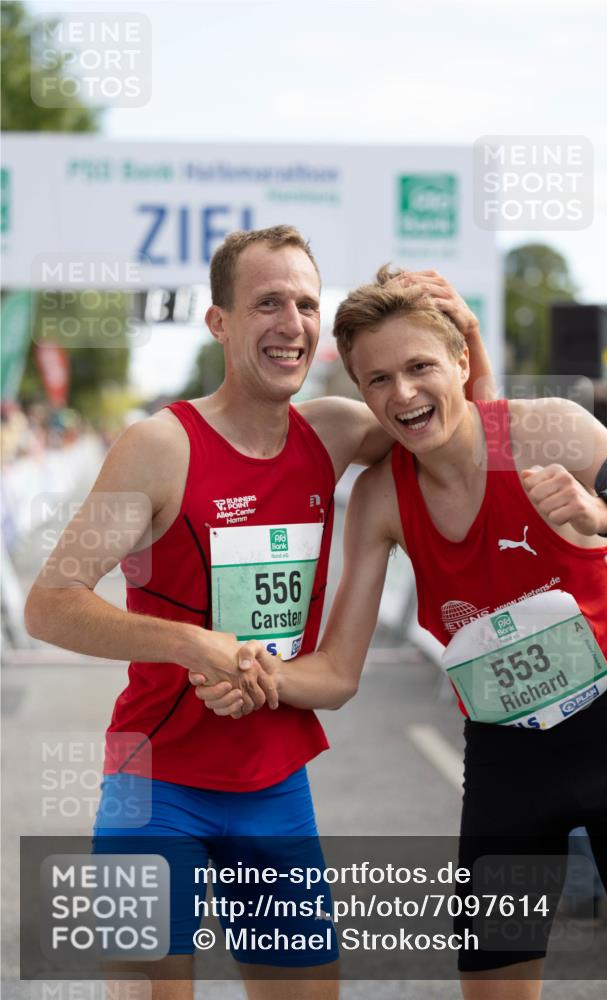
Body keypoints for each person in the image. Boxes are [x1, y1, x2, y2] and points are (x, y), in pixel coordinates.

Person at [24, 227, 494, 1000]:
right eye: (267, 302)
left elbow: (461, 437)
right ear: (219, 323)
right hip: (155, 788)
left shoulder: (336, 431)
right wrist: (189, 644)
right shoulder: (159, 445)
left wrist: (464, 338)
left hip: (273, 785)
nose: (292, 322)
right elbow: (50, 605)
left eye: (306, 303)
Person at [196, 268, 607, 1000]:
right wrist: (255, 672)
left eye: (420, 367)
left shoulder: (544, 429)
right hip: (509, 772)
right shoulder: (381, 498)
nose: (403, 395)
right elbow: (339, 673)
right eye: (377, 379)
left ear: (460, 362)